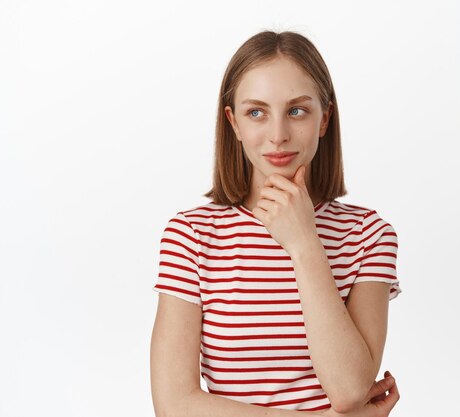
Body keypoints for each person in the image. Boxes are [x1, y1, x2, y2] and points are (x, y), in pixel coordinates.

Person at [150, 30, 402, 416]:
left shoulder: (368, 236)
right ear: (234, 123)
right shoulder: (192, 237)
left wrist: (303, 243)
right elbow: (174, 405)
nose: (279, 136)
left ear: (325, 118)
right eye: (256, 112)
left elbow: (350, 390)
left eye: (297, 110)